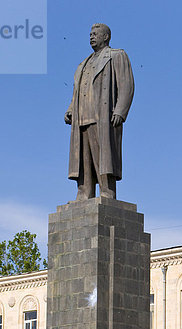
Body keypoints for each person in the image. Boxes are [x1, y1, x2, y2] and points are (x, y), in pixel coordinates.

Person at [65, 23, 134, 200]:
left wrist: (120, 110)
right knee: (83, 159)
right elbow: (77, 90)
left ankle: (107, 191)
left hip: (103, 116)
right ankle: (84, 192)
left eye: (95, 34)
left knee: (104, 158)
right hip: (82, 117)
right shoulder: (83, 64)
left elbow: (126, 85)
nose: (91, 37)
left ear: (106, 37)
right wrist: (71, 108)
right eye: (90, 34)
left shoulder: (116, 56)